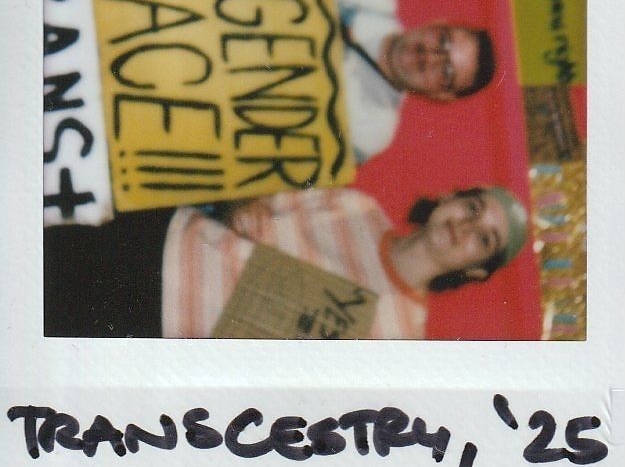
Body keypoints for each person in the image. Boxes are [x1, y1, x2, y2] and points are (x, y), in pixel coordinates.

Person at [44, 185, 529, 340]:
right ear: (450, 199)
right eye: (471, 208)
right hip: (152, 244)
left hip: (156, 329)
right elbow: (253, 190)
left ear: (475, 270)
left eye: (482, 240)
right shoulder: (358, 206)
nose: (465, 227)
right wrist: (245, 202)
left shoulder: (402, 337)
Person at [317, 0, 496, 163]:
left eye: (446, 72)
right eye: (442, 41)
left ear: (441, 96)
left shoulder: (374, 129)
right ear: (436, 23)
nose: (430, 56)